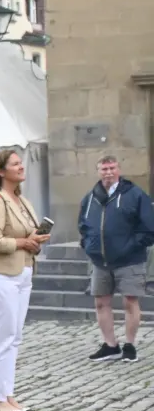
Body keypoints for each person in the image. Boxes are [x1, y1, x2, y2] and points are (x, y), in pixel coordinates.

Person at [0, 148, 48, 411]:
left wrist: (35, 241)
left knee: (13, 338)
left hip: (23, 272)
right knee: (0, 338)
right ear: (0, 171)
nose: (21, 167)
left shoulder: (23, 201)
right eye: (15, 164)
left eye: (21, 163)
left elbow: (28, 237)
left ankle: (7, 393)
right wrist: (23, 242)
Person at [80, 155, 154, 362]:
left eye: (112, 168)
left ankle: (130, 345)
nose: (108, 172)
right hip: (100, 262)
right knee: (101, 303)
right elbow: (83, 226)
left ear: (119, 170)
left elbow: (148, 227)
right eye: (104, 169)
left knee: (130, 302)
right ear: (98, 172)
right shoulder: (90, 197)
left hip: (130, 260)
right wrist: (87, 245)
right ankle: (111, 345)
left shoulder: (135, 194)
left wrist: (131, 247)